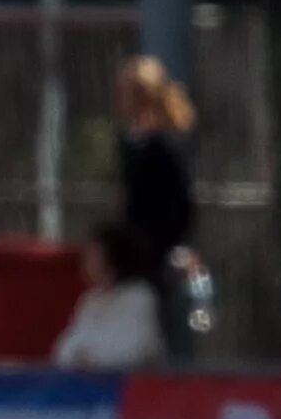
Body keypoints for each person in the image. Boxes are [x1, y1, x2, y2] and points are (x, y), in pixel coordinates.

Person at [114, 54, 202, 360]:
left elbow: (179, 204)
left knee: (161, 320)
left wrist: (165, 246)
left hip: (158, 253)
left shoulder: (163, 146)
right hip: (133, 251)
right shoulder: (131, 143)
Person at [50, 223, 164, 369]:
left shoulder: (140, 297)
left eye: (93, 255)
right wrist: (79, 356)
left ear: (111, 258)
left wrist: (95, 359)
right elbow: (64, 349)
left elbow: (135, 349)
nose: (85, 262)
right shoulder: (90, 301)